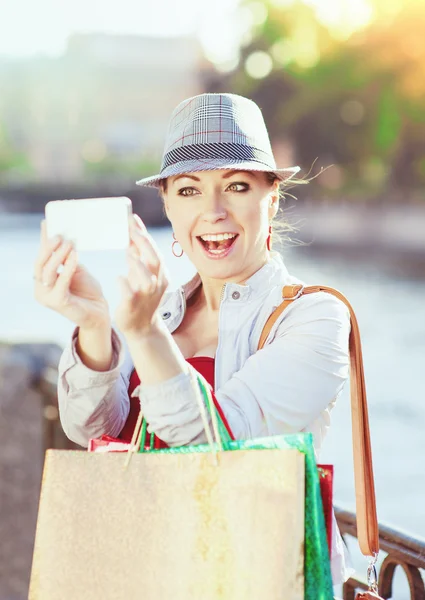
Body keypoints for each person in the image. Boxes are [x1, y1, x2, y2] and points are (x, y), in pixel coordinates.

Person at [33, 92, 352, 586]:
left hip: (255, 579)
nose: (214, 211)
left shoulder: (314, 317)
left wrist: (143, 334)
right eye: (188, 190)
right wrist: (96, 325)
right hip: (144, 569)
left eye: (238, 185)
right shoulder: (157, 309)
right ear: (165, 202)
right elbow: (90, 428)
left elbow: (216, 451)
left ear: (273, 195)